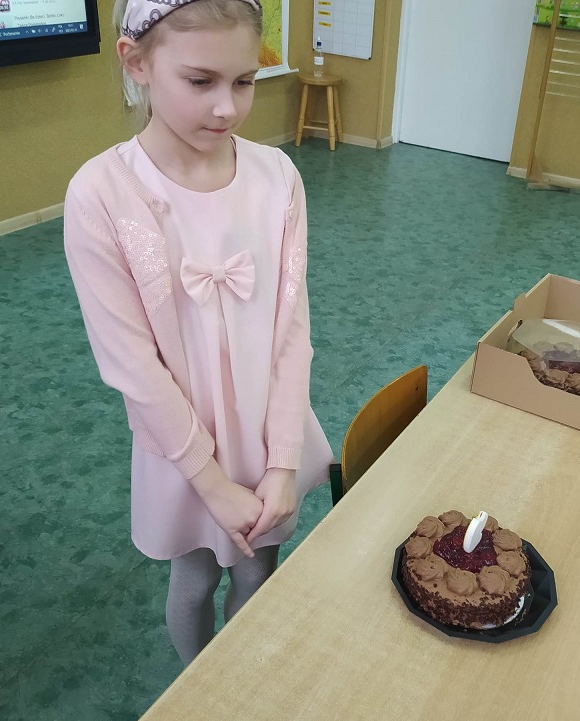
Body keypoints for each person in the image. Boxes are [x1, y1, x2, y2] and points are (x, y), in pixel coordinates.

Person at [63, 0, 333, 665]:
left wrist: (281, 464)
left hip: (268, 433)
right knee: (194, 581)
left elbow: (291, 331)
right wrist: (210, 482)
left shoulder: (277, 178)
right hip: (182, 448)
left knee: (258, 570)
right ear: (137, 63)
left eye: (244, 81)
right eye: (200, 81)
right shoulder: (101, 193)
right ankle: (197, 688)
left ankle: (239, 685)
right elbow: (132, 365)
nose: (226, 108)